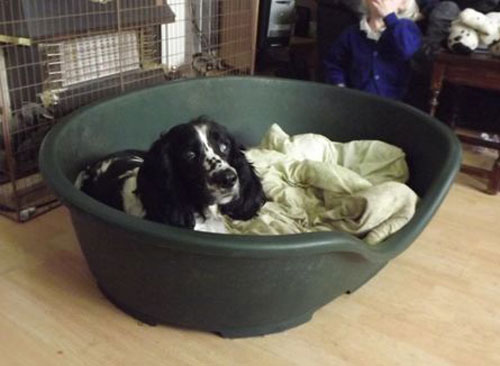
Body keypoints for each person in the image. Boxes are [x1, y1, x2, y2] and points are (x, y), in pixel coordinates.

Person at [323, 0, 422, 100]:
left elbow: (407, 49)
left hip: (394, 105)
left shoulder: (407, 28)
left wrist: (389, 17)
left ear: (403, 4)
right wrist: (339, 84)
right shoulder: (351, 33)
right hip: (356, 102)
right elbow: (334, 63)